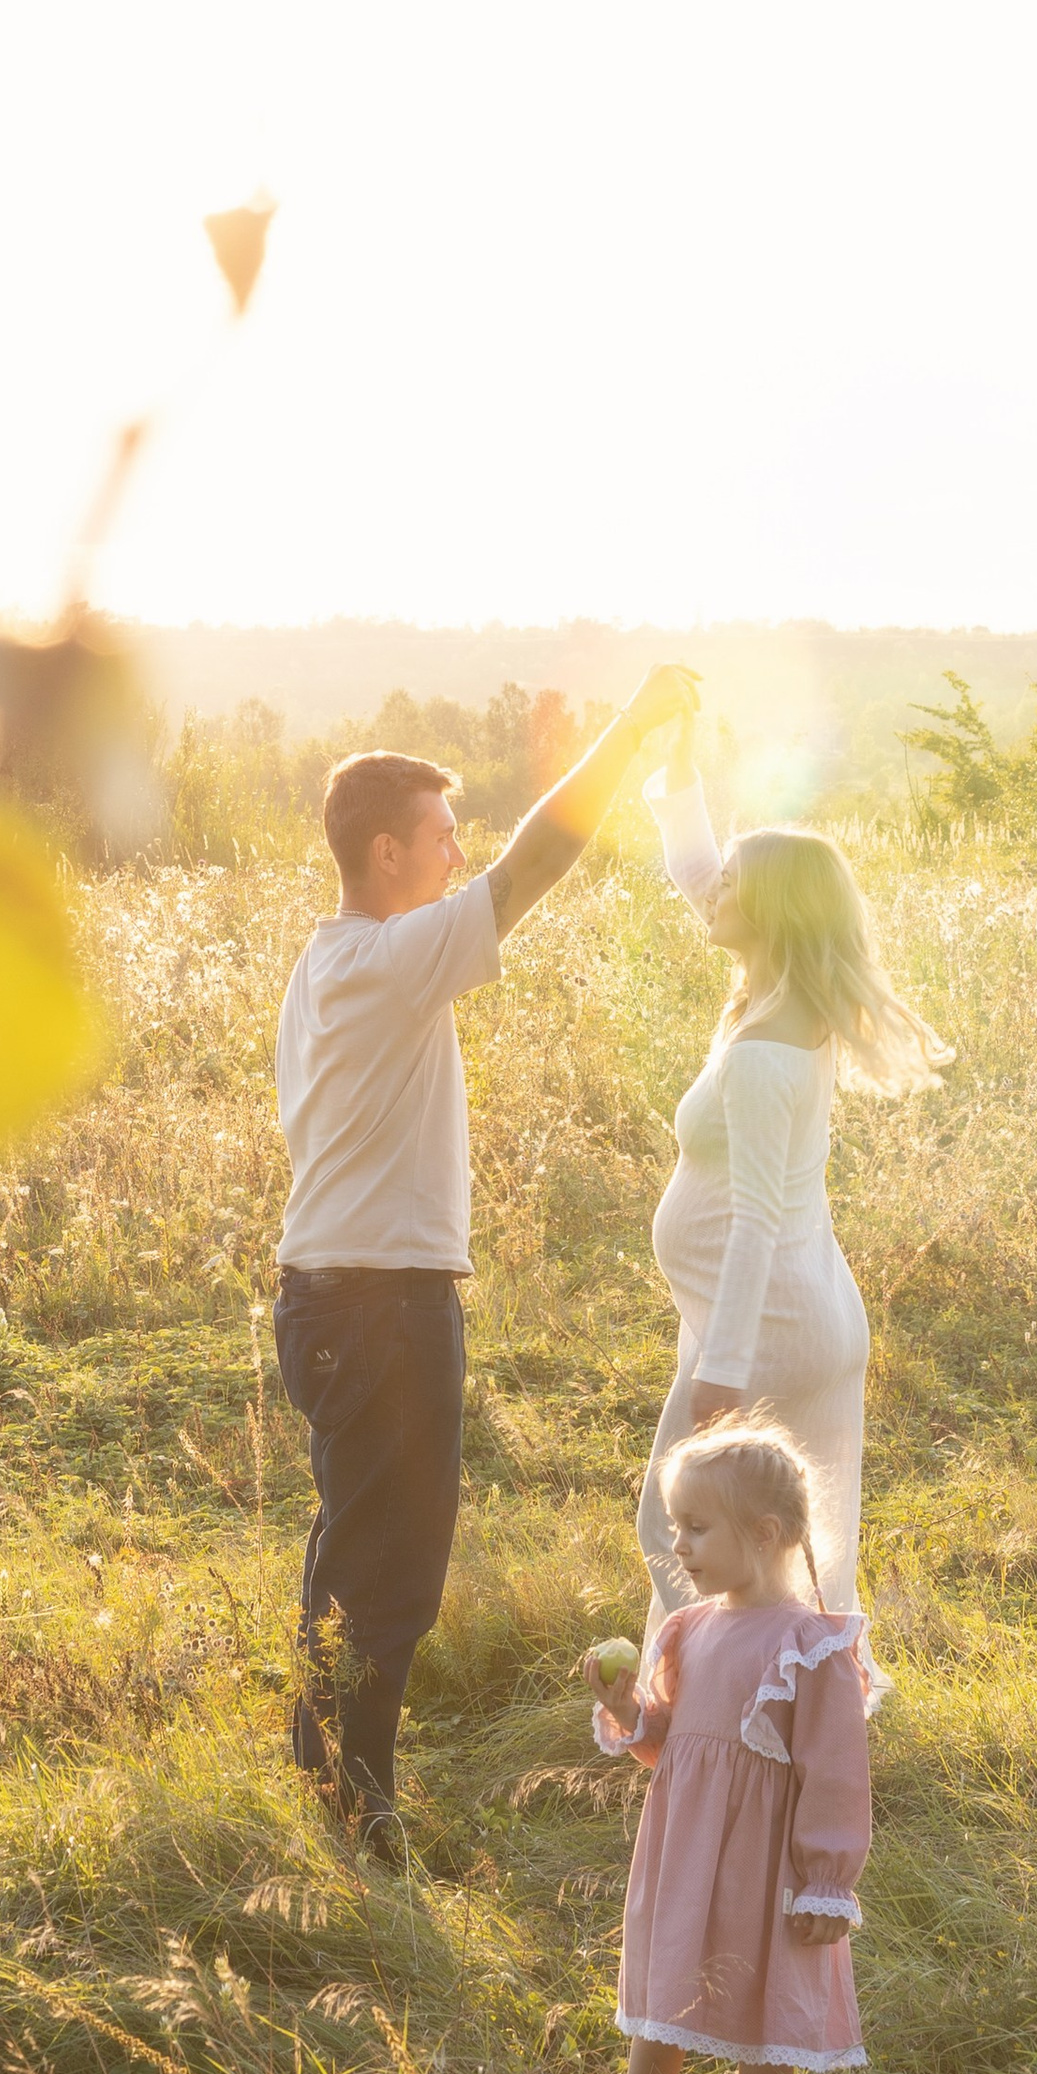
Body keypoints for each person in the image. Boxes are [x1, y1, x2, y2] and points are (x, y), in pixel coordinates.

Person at [272, 665, 702, 1853]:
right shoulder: (379, 960)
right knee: (393, 1573)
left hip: (332, 1294)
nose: (456, 855)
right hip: (376, 1305)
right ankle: (361, 1815)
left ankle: (322, 1779)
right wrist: (630, 725)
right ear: (385, 853)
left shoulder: (330, 965)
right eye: (438, 838)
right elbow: (534, 864)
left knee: (346, 1548)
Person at [632, 714, 949, 1656]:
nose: (711, 892)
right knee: (777, 1547)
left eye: (733, 884)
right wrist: (679, 776)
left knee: (701, 1533)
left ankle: (742, 1716)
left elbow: (756, 1220)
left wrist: (724, 1365)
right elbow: (697, 874)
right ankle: (730, 1711)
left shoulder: (769, 1049)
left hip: (767, 1327)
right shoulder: (769, 991)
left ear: (766, 911)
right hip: (762, 1317)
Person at [583, 1417, 872, 2074]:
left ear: (765, 1531)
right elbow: (675, 1747)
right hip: (684, 1850)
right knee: (662, 1993)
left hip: (762, 1861)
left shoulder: (810, 1645)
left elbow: (837, 1773)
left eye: (698, 1528)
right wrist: (629, 1709)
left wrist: (826, 1881)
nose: (678, 1546)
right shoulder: (688, 1630)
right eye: (677, 1527)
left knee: (763, 2003)